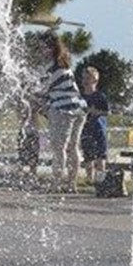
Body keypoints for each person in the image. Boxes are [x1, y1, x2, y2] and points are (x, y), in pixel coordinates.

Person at [35, 32, 87, 193]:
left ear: (52, 48)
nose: (41, 51)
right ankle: (71, 184)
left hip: (63, 110)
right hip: (78, 108)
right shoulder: (64, 65)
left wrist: (27, 92)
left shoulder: (53, 69)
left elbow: (42, 90)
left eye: (43, 47)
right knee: (73, 147)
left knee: (59, 148)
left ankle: (56, 183)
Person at [79, 66, 110, 183]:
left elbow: (107, 112)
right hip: (85, 129)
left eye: (88, 78)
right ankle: (89, 179)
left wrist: (95, 112)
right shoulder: (80, 97)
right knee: (88, 157)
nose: (85, 81)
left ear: (95, 80)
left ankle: (101, 180)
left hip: (99, 129)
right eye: (84, 78)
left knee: (101, 156)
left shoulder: (99, 96)